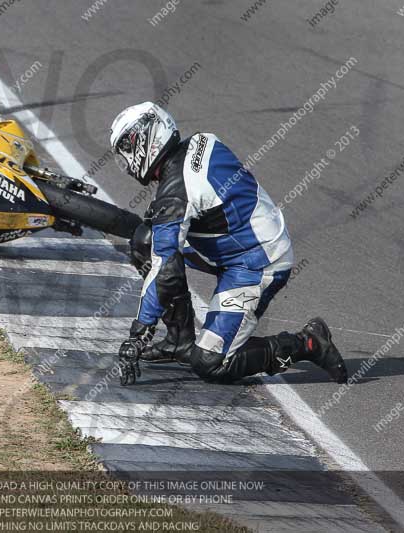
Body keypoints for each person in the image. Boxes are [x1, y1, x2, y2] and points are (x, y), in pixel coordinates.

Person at [110, 102, 348, 386]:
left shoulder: (176, 194)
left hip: (258, 263)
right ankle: (178, 342)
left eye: (126, 146)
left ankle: (308, 343)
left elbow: (166, 268)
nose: (125, 162)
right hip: (241, 244)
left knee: (211, 363)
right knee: (146, 240)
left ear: (146, 137)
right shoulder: (200, 141)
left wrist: (139, 332)